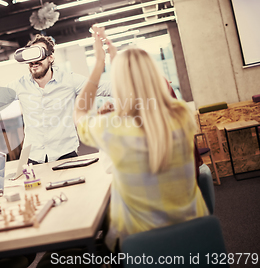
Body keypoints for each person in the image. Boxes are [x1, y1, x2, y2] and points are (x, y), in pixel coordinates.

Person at [73, 26, 209, 252]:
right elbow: (147, 96)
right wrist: (117, 57)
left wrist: (99, 64)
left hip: (144, 250)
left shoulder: (113, 129)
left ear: (118, 85)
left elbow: (79, 113)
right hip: (196, 243)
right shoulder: (181, 114)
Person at [0, 34, 110, 164]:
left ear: (50, 57)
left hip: (66, 155)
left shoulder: (69, 80)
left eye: (39, 55)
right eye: (31, 56)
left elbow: (103, 88)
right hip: (34, 159)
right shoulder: (19, 85)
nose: (34, 62)